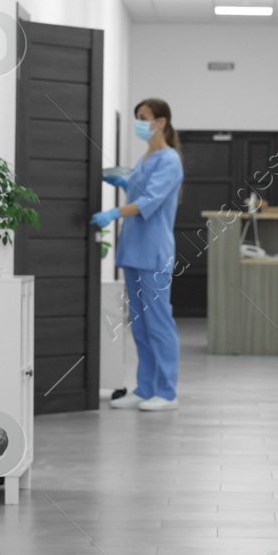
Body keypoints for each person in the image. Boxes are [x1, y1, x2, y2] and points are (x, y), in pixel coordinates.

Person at [92, 98, 186, 412]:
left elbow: (149, 202)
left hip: (154, 254)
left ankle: (167, 392)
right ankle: (145, 388)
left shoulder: (170, 160)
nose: (139, 123)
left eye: (143, 117)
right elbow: (138, 190)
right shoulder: (147, 157)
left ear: (160, 122)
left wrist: (114, 212)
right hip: (133, 252)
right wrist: (124, 180)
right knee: (140, 324)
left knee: (158, 323)